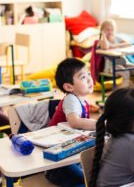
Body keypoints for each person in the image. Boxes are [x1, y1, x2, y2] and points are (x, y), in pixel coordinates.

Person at [46, 58, 95, 187]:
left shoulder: (83, 100)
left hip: (69, 155)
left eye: (89, 74)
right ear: (69, 86)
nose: (90, 79)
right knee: (85, 181)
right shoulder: (71, 99)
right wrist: (101, 123)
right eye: (83, 77)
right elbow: (74, 122)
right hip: (56, 163)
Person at [99, 19, 134, 84]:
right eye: (107, 30)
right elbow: (105, 47)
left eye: (112, 30)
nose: (110, 32)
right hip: (111, 67)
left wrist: (113, 46)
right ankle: (124, 93)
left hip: (123, 63)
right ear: (102, 31)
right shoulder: (102, 41)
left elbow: (128, 44)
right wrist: (103, 36)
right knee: (126, 73)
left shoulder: (116, 38)